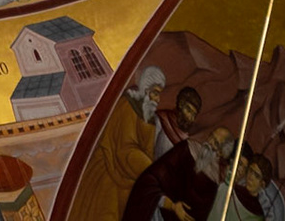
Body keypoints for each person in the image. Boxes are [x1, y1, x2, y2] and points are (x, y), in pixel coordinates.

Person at [81, 67, 162, 217]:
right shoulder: (127, 105)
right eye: (155, 93)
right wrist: (152, 171)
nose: (158, 100)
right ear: (146, 89)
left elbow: (148, 151)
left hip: (130, 183)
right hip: (109, 176)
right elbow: (125, 149)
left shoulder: (150, 118)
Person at [123, 125, 232, 221]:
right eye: (211, 136)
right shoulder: (186, 150)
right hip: (158, 214)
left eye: (216, 143)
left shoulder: (215, 180)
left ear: (221, 153)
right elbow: (151, 178)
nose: (209, 143)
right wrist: (171, 205)